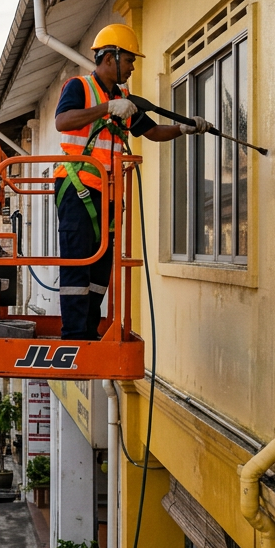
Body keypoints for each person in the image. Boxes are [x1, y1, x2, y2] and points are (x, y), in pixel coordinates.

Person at [52, 23, 205, 340]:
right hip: (76, 188)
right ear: (110, 57)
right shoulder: (80, 87)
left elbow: (151, 132)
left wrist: (183, 129)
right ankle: (75, 334)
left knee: (100, 268)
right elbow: (62, 121)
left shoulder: (124, 99)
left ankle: (89, 329)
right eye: (129, 60)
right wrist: (107, 108)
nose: (133, 66)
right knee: (78, 263)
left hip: (107, 193)